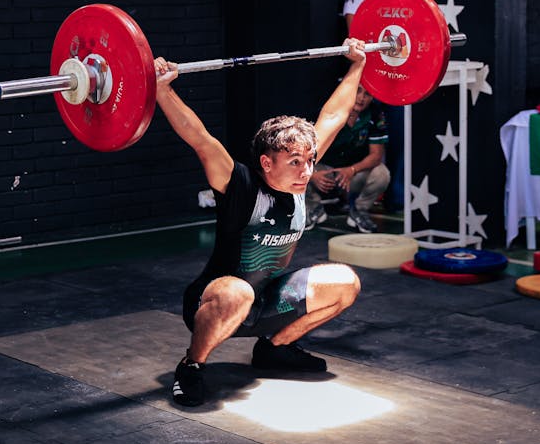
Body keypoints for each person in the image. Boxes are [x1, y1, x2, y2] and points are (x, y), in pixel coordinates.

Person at [154, 43, 366, 407]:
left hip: (268, 300)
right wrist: (162, 89)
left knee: (346, 283)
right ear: (267, 163)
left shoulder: (299, 182)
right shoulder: (240, 185)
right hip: (217, 299)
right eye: (296, 162)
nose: (307, 171)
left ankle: (275, 348)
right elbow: (199, 137)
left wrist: (357, 65)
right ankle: (192, 365)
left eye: (310, 160)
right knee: (239, 293)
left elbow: (332, 115)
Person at [305, 84, 390, 233]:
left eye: (367, 94)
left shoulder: (375, 114)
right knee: (295, 171)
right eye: (357, 91)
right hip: (323, 171)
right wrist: (312, 175)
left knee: (382, 174)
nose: (361, 98)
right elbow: (303, 152)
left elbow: (376, 155)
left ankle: (359, 211)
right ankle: (313, 209)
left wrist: (352, 170)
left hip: (352, 175)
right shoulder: (328, 109)